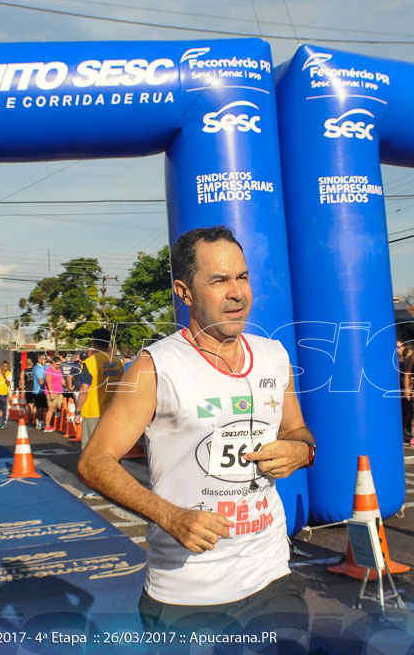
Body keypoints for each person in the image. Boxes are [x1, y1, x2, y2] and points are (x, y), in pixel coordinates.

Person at [78, 226, 312, 640]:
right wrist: (170, 516)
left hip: (273, 577)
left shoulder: (274, 356)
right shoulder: (156, 366)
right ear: (185, 293)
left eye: (242, 277)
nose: (237, 292)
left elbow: (298, 431)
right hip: (188, 595)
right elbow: (95, 461)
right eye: (219, 281)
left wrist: (301, 451)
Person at [76, 329, 124, 449]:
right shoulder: (117, 362)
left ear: (94, 343)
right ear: (108, 342)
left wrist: (78, 411)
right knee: (112, 448)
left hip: (93, 412)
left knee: (91, 449)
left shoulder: (90, 362)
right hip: (112, 411)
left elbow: (84, 388)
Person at [44, 356, 64, 431]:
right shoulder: (49, 370)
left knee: (60, 407)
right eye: (58, 364)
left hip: (59, 391)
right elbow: (48, 382)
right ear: (53, 363)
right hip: (52, 392)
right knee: (51, 408)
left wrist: (67, 385)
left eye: (60, 364)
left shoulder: (58, 370)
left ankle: (57, 424)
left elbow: (61, 379)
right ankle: (47, 425)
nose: (59, 366)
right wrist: (51, 393)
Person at [30, 353, 47, 429]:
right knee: (40, 407)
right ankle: (39, 422)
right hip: (39, 391)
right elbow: (40, 381)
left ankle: (40, 421)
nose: (44, 360)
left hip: (41, 391)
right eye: (43, 359)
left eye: (45, 359)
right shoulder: (38, 368)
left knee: (42, 407)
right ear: (39, 359)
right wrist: (46, 389)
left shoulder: (42, 368)